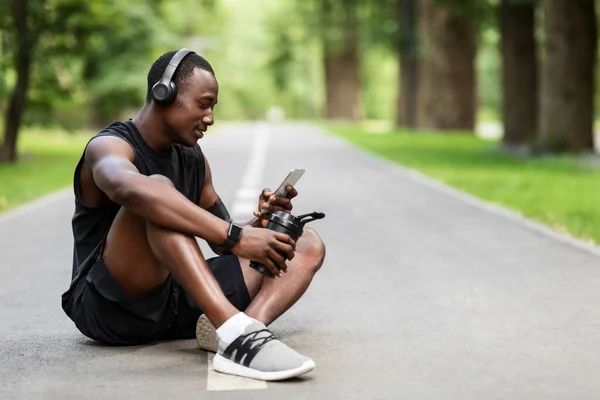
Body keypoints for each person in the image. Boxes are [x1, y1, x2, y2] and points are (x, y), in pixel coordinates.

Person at [61, 49, 326, 381]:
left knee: (305, 242)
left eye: (213, 107)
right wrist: (237, 237)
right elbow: (127, 188)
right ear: (164, 92)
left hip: (175, 303)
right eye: (203, 104)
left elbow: (224, 239)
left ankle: (239, 333)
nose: (210, 118)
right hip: (109, 309)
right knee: (156, 194)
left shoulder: (192, 159)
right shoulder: (109, 147)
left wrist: (256, 225)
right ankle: (236, 331)